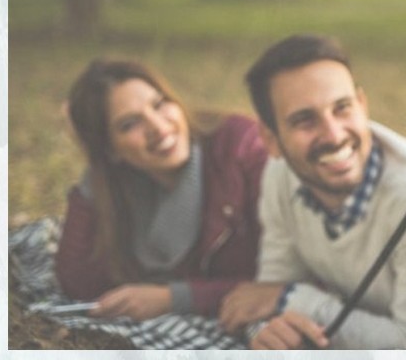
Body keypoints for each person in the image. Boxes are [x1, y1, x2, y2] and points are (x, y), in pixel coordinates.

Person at [218, 34, 406, 350]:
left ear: (362, 104)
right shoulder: (281, 175)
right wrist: (265, 328)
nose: (334, 135)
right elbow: (269, 291)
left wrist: (292, 300)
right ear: (271, 139)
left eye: (342, 108)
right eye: (304, 120)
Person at [55, 58, 268, 320]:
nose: (157, 127)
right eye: (130, 124)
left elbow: (282, 281)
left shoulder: (241, 146)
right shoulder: (125, 186)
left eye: (159, 104)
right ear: (110, 149)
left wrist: (174, 298)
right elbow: (79, 283)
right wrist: (95, 169)